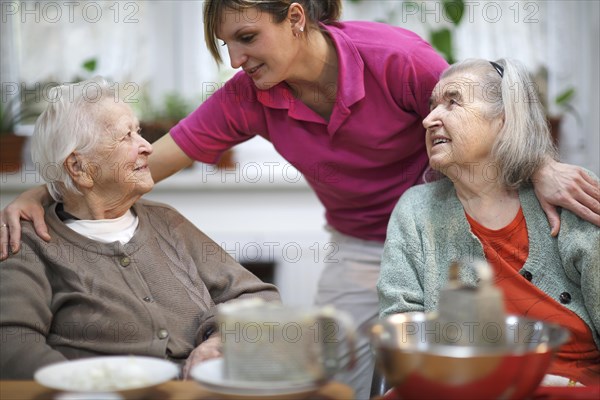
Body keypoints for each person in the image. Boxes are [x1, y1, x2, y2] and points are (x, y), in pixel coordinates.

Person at [1, 1, 599, 396]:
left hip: (445, 233)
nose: (236, 59)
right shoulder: (247, 96)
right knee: (336, 379)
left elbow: (479, 115)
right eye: (225, 46)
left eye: (246, 37)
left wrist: (540, 166)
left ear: (293, 18)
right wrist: (52, 184)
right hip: (365, 245)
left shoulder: (398, 59)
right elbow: (143, 165)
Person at [0, 78, 280, 380]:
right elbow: (13, 345)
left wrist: (219, 340)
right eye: (126, 137)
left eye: (140, 132)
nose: (147, 147)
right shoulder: (28, 242)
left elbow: (259, 297)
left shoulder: (167, 222)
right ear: (78, 167)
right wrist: (92, 387)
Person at [378, 58, 599, 386]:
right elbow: (401, 331)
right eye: (431, 106)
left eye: (453, 102)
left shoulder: (568, 196)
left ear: (504, 120)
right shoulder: (415, 211)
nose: (429, 119)